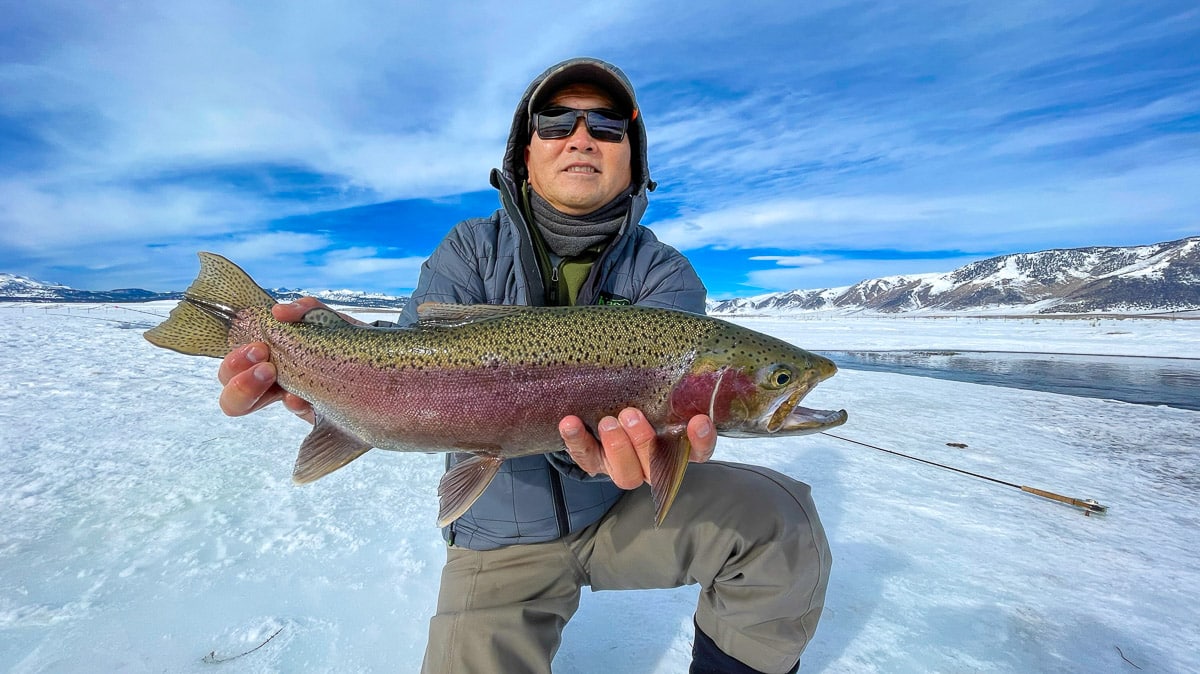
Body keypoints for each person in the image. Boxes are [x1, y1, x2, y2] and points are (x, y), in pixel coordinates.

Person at [216, 57, 831, 673]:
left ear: (634, 160)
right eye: (556, 121)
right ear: (524, 153)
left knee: (781, 519)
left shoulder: (665, 277)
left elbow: (657, 447)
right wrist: (322, 375)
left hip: (624, 511)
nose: (581, 137)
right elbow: (401, 366)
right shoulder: (467, 250)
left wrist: (644, 452)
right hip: (497, 533)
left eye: (608, 125)